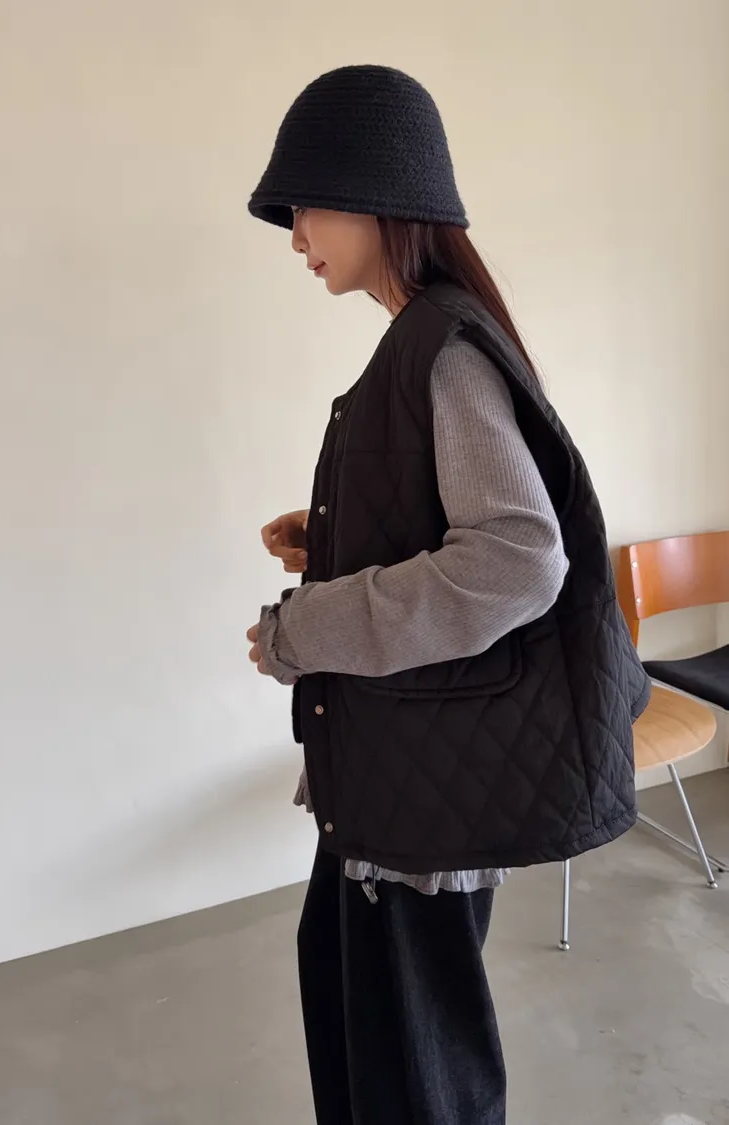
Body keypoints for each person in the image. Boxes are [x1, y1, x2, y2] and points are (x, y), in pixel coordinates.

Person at [245, 65, 650, 1125]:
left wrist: (301, 631)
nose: (295, 236)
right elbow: (451, 526)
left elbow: (516, 558)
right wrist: (332, 536)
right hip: (397, 780)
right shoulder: (425, 337)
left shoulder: (439, 346)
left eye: (307, 206)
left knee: (410, 1076)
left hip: (418, 795)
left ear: (379, 195)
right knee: (367, 1031)